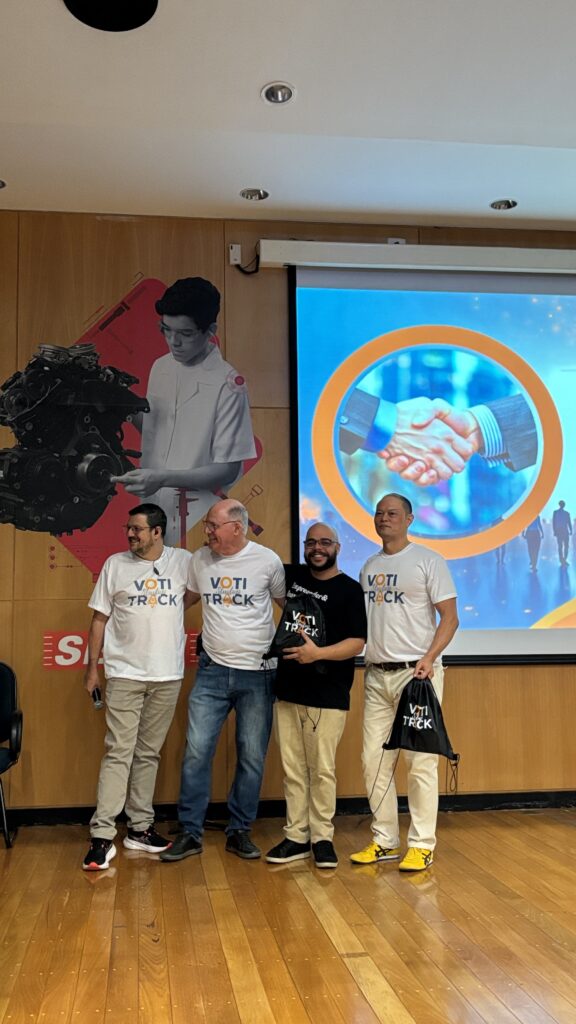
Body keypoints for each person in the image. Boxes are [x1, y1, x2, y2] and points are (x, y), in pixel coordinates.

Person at [160, 498, 285, 862]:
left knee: (252, 756)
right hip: (212, 671)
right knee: (196, 752)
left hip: (259, 674)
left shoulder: (267, 561)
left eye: (213, 526)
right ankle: (190, 831)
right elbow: (186, 599)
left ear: (237, 528)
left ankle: (240, 830)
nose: (207, 531)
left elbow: (288, 607)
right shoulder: (200, 560)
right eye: (208, 525)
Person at [351, 492, 458, 872]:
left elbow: (450, 618)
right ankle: (384, 840)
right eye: (379, 513)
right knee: (373, 760)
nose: (384, 518)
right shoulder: (368, 566)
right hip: (376, 675)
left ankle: (422, 844)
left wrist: (429, 658)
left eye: (393, 513)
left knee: (420, 762)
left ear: (409, 519)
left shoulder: (428, 561)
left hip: (417, 677)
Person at [82, 503, 193, 871]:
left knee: (148, 753)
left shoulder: (183, 562)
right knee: (119, 752)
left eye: (137, 529)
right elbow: (99, 619)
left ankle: (140, 829)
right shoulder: (115, 565)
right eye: (128, 528)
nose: (130, 534)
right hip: (125, 674)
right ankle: (102, 835)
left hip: (168, 675)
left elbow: (191, 597)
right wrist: (92, 668)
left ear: (157, 532)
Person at [112, 277, 256, 543]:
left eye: (185, 334)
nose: (173, 341)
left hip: (199, 514)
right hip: (152, 508)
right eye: (166, 330)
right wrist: (124, 406)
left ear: (210, 330)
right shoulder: (161, 367)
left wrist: (162, 478)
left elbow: (227, 468)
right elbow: (157, 433)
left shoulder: (228, 385)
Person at [265, 523, 367, 869]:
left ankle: (322, 838)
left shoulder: (349, 590)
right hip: (288, 689)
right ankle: (296, 836)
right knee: (293, 770)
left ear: (337, 547)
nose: (317, 548)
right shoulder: (293, 577)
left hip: (328, 693)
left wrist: (318, 654)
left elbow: (357, 642)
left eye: (325, 543)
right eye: (311, 543)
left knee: (321, 770)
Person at [552, 500, 572, 565]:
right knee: (562, 546)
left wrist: (571, 530)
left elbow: (569, 522)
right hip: (561, 531)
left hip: (563, 531)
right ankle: (562, 560)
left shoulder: (566, 513)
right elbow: (554, 522)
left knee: (564, 546)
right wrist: (554, 531)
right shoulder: (556, 512)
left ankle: (563, 559)